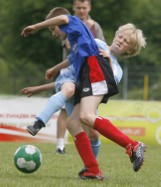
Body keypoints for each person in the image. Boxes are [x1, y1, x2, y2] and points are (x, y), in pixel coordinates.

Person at [21, 7, 146, 180]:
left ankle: (132, 145)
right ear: (115, 35)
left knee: (87, 117)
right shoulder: (97, 43)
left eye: (126, 42)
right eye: (120, 37)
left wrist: (108, 59)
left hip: (96, 80)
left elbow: (107, 82)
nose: (121, 41)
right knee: (73, 123)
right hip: (86, 83)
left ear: (129, 51)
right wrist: (56, 69)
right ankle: (93, 170)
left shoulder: (116, 68)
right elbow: (73, 59)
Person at [55, 0, 105, 154]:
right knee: (64, 110)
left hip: (89, 73)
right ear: (73, 8)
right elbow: (66, 43)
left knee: (87, 114)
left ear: (89, 8)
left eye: (84, 8)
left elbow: (102, 46)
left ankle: (92, 150)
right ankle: (60, 145)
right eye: (79, 8)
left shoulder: (95, 26)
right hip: (69, 71)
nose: (82, 11)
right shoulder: (67, 22)